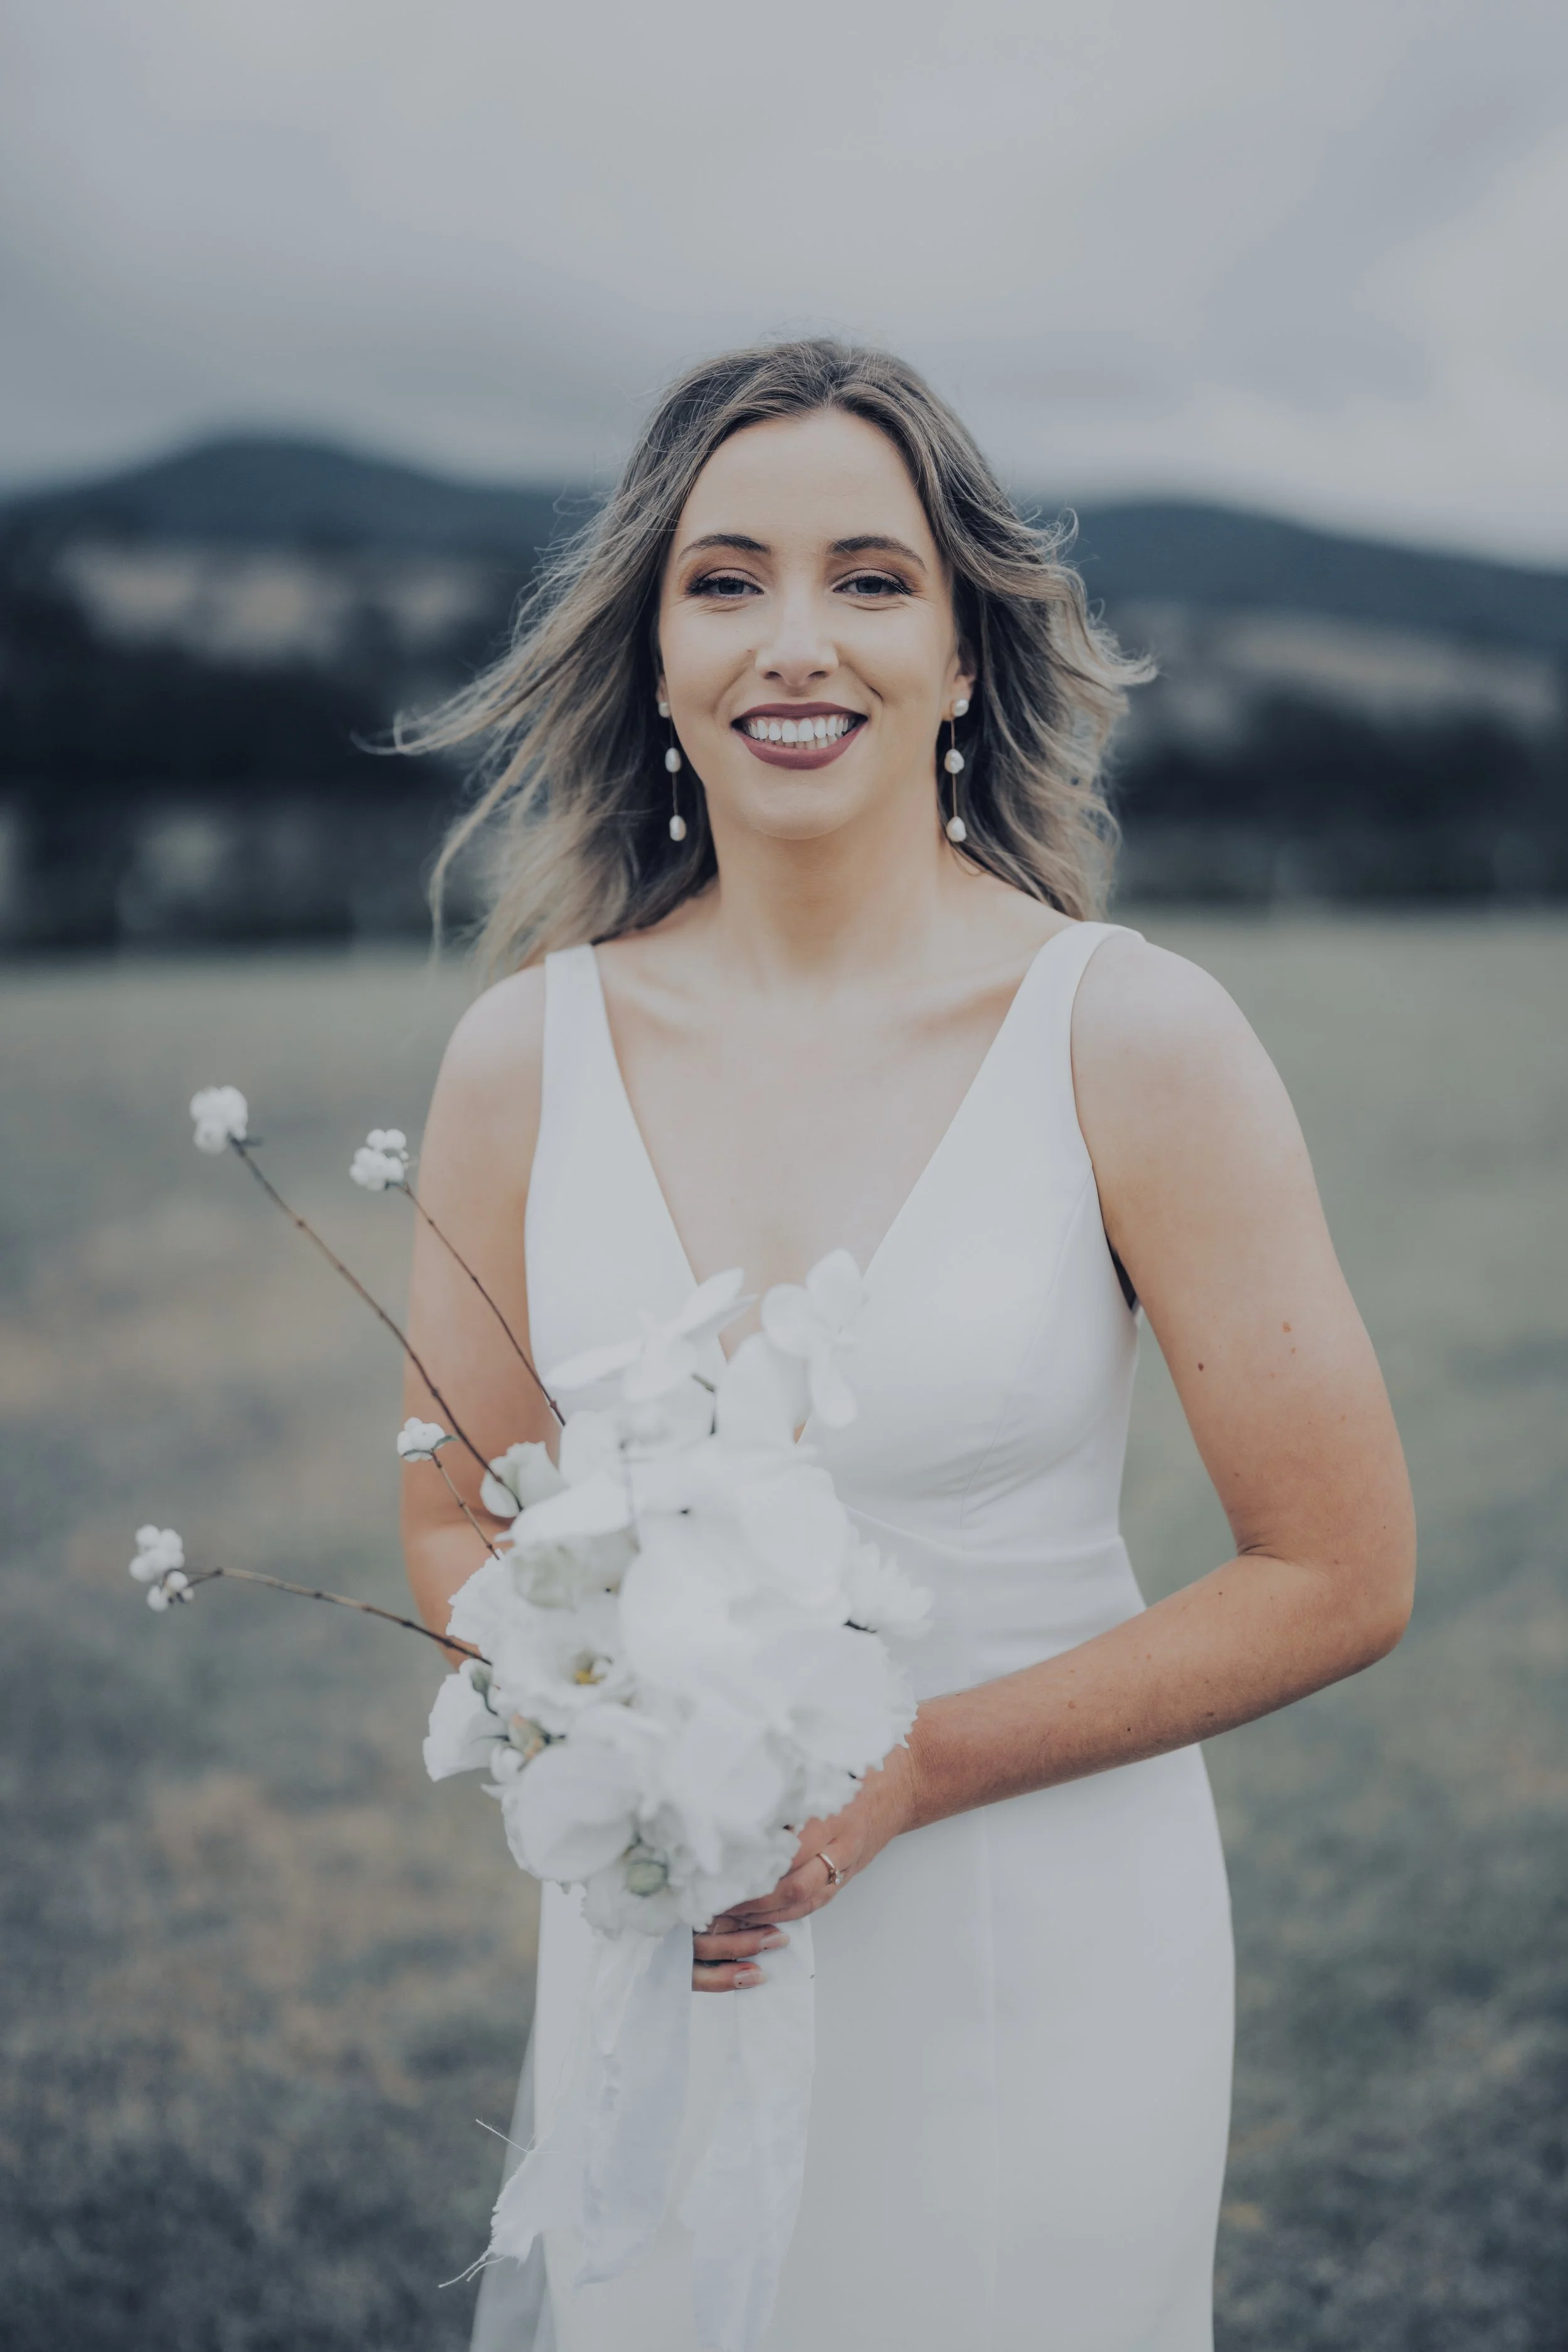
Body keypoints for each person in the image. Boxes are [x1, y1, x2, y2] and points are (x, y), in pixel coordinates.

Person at [399, 338, 1415, 2352]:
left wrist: (917, 1760)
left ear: (963, 656)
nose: (796, 640)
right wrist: (615, 1728)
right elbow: (451, 1519)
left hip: (1037, 1935)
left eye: (870, 579)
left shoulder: (1128, 1036)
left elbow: (1340, 1568)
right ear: (657, 655)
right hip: (674, 1927)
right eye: (725, 581)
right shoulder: (522, 1054)